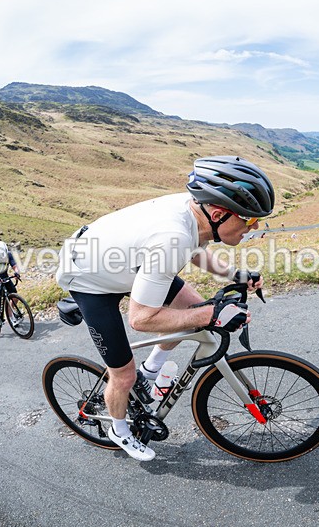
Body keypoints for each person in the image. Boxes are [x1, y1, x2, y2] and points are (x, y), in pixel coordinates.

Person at [56, 155, 274, 461]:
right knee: (124, 375)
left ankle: (152, 369)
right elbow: (141, 318)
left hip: (127, 263)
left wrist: (236, 276)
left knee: (192, 313)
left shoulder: (195, 214)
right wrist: (213, 313)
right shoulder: (172, 237)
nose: (254, 226)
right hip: (91, 280)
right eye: (249, 219)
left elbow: (196, 250)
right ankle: (119, 430)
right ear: (219, 213)